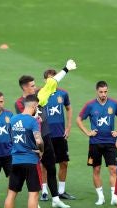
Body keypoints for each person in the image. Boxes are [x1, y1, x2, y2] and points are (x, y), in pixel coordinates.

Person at [14, 60, 77, 208]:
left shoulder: (39, 95)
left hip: (46, 136)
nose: (35, 87)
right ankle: (35, 198)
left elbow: (52, 83)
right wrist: (36, 116)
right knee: (32, 170)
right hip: (31, 142)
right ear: (25, 87)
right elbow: (25, 120)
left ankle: (55, 198)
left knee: (51, 167)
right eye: (32, 86)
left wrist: (66, 69)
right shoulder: (19, 103)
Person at [1, 94, 49, 208]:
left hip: (15, 161)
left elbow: (10, 138)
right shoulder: (32, 121)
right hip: (30, 161)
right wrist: (41, 151)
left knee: (11, 193)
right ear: (34, 106)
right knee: (33, 194)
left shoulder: (13, 119)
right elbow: (39, 140)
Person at [76, 81, 117, 206]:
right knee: (96, 169)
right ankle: (101, 197)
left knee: (113, 169)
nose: (103, 94)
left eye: (105, 92)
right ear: (97, 91)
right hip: (95, 143)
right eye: (101, 92)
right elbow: (79, 119)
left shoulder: (114, 104)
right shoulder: (90, 105)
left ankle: (114, 197)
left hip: (110, 142)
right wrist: (87, 132)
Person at [40, 69, 75, 201]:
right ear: (45, 81)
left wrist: (69, 126)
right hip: (46, 135)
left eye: (54, 79)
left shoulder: (63, 94)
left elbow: (69, 108)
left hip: (60, 134)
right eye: (49, 79)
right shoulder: (41, 93)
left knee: (64, 162)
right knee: (45, 164)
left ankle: (61, 191)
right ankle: (44, 191)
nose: (52, 81)